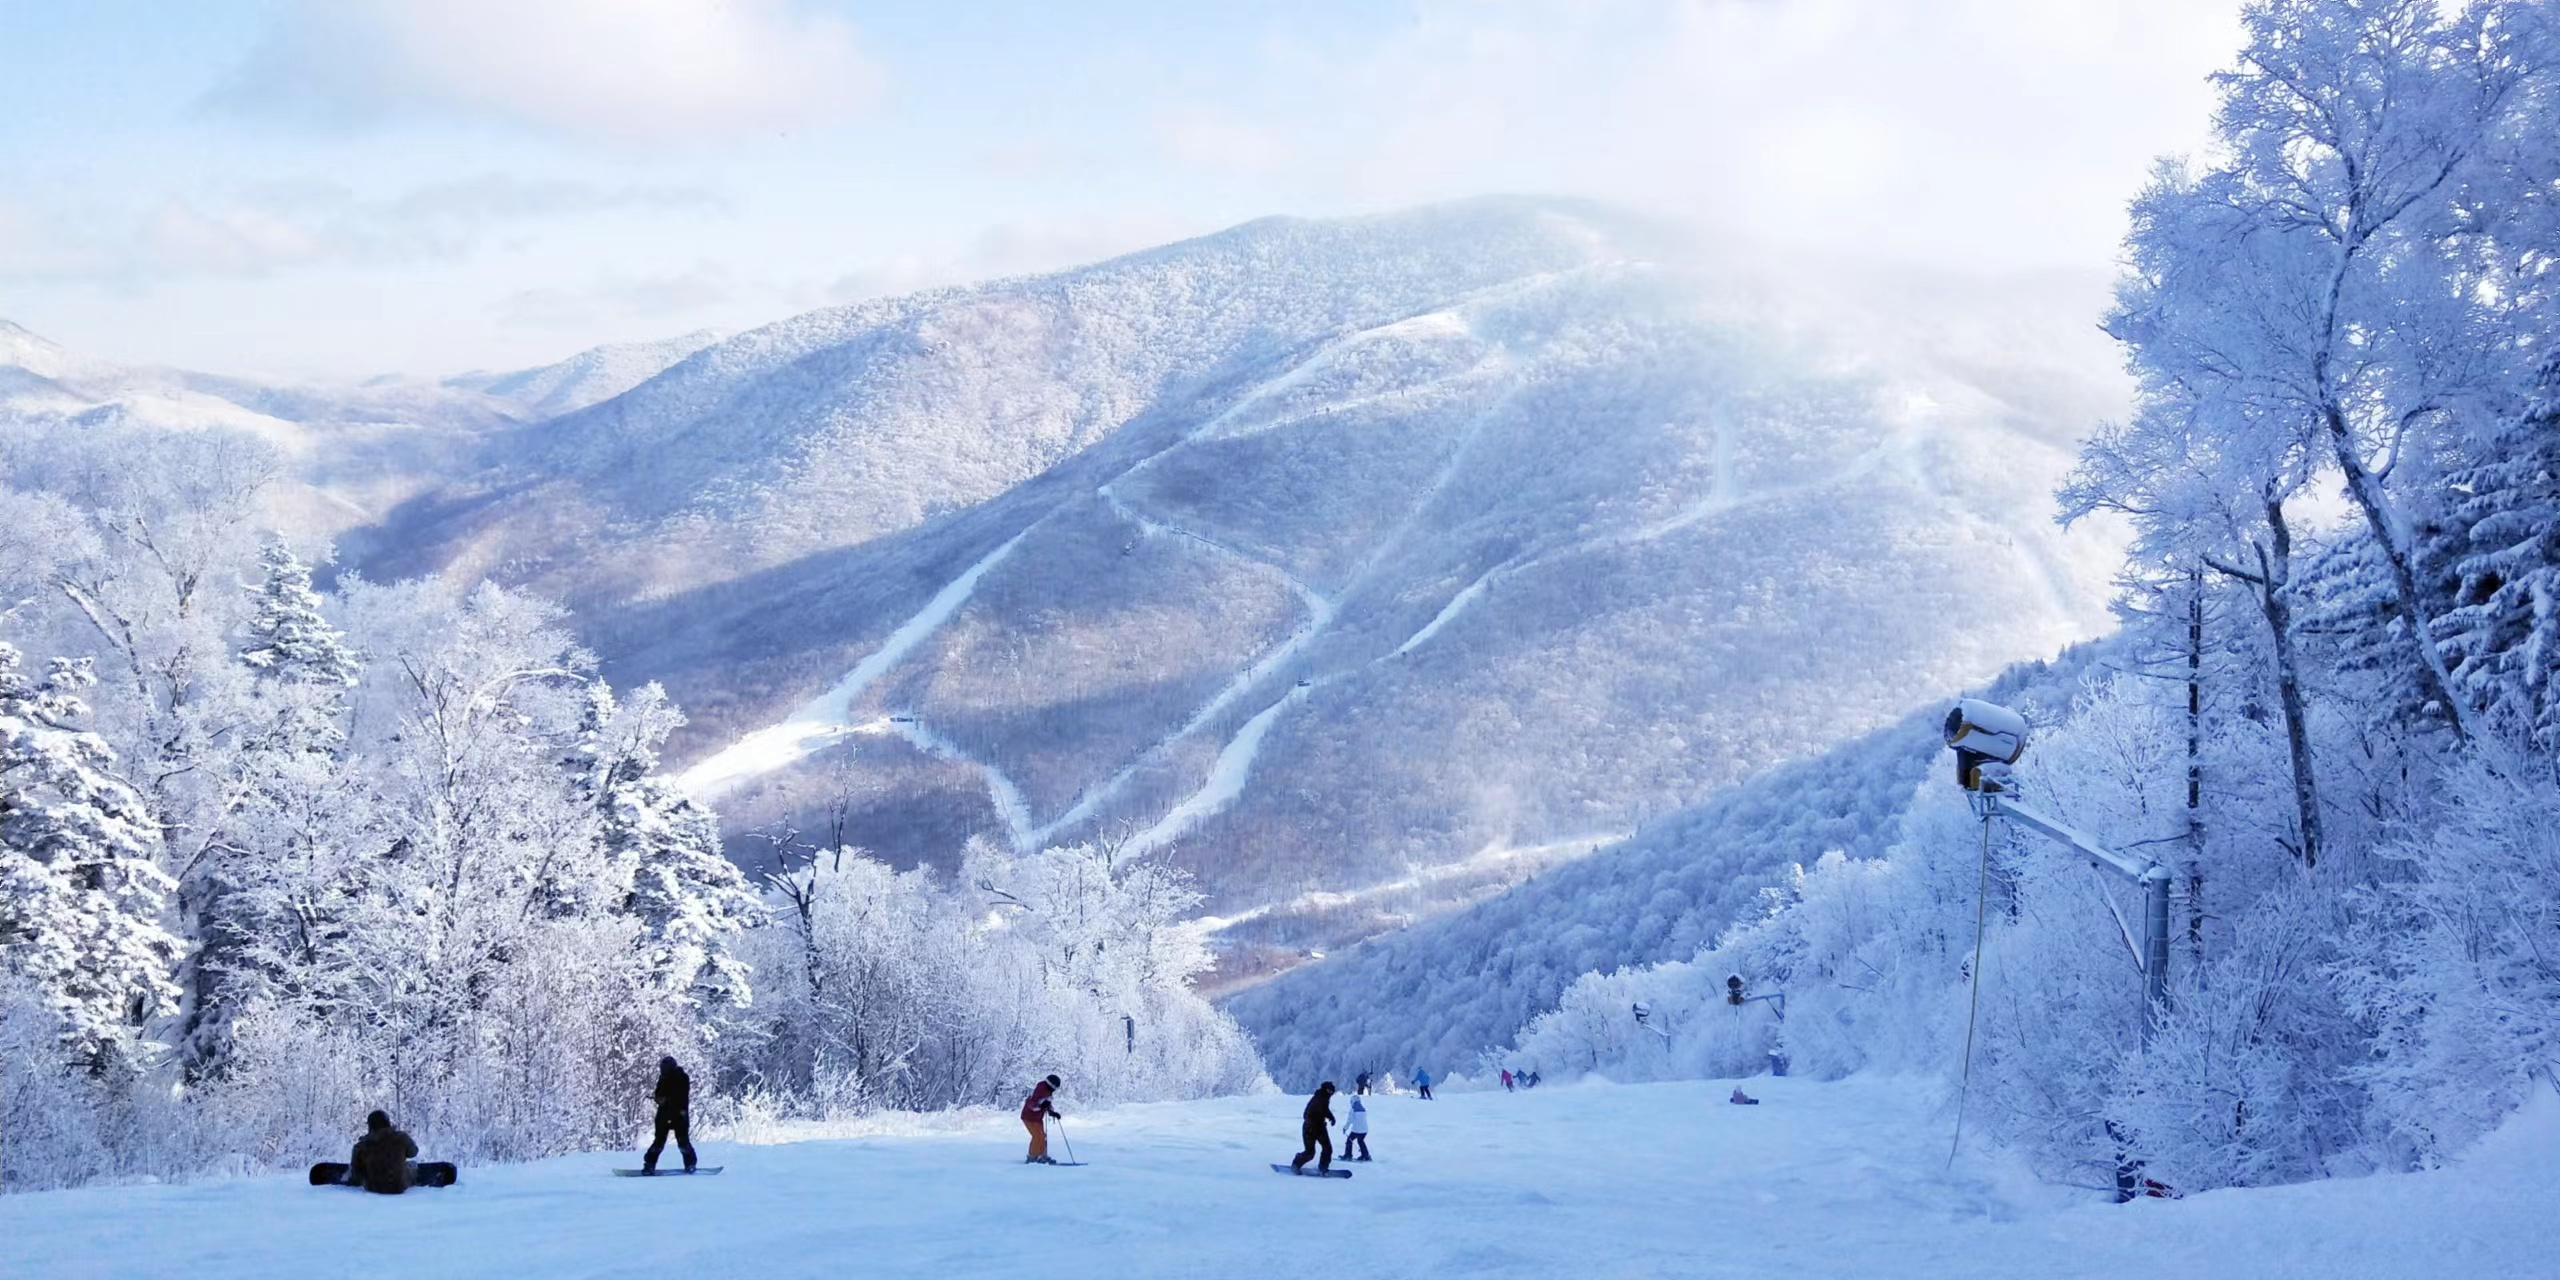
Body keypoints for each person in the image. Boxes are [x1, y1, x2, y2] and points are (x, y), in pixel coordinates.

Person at [644, 1055, 697, 1174]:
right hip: (664, 1114)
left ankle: (690, 1164)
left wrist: (666, 1100)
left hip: (679, 1114)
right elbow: (658, 1092)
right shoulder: (663, 1078)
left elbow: (681, 1096)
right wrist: (658, 1099)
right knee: (658, 1142)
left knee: (683, 1142)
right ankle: (649, 1165)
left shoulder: (682, 1077)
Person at [348, 1110, 419, 1195]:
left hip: (372, 1187)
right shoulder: (401, 1138)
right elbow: (413, 1152)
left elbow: (356, 1176)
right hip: (399, 1186)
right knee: (412, 1165)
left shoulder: (361, 1146)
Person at [1290, 1081, 1339, 1174]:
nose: (1331, 1094)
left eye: (1332, 1092)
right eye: (1329, 1091)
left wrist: (1331, 1117)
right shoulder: (1318, 1098)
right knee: (1310, 1153)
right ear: (1325, 1089)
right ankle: (1296, 1165)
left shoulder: (1324, 1098)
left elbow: (1325, 1110)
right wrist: (1313, 1123)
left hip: (1320, 1127)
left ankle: (1323, 1168)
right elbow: (1307, 1114)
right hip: (1310, 1128)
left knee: (1327, 1149)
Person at [1021, 1074, 1063, 1164]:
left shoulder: (1048, 1091)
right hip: (1029, 1117)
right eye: (1055, 1087)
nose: (1055, 1089)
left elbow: (1046, 1104)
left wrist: (1052, 1112)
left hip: (1037, 1118)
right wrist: (1040, 1106)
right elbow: (1031, 1104)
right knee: (1037, 1136)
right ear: (1051, 1085)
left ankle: (1042, 1155)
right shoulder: (1040, 1090)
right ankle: (1032, 1157)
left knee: (1042, 1136)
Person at [1343, 1094, 1372, 1162]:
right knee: (1360, 1141)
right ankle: (1365, 1155)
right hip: (1364, 1130)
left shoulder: (1353, 1109)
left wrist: (1345, 1128)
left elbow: (1350, 1120)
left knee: (1349, 1141)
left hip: (1356, 1130)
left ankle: (1348, 1155)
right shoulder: (1363, 1109)